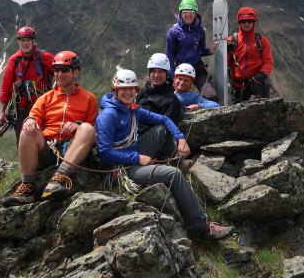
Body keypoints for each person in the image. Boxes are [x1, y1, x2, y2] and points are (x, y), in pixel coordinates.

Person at [96, 69, 235, 241]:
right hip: (123, 169)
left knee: (162, 130)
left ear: (136, 90)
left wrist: (180, 139)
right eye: (123, 89)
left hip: (134, 153)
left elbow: (164, 120)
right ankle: (204, 227)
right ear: (114, 90)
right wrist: (138, 159)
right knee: (173, 174)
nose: (128, 92)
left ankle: (178, 162)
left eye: (132, 88)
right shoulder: (108, 115)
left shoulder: (133, 110)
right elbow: (104, 152)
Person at [1, 51, 98, 206]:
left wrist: (78, 125)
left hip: (73, 149)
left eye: (64, 70)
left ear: (75, 72)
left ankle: (60, 177)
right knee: (27, 130)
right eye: (56, 70)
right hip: (50, 150)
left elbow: (92, 128)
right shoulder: (45, 98)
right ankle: (27, 187)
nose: (59, 74)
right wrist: (30, 120)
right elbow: (34, 116)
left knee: (86, 128)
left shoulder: (89, 99)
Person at [0, 26, 55, 142]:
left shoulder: (43, 57)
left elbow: (61, 70)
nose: (25, 43)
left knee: (44, 138)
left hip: (43, 107)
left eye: (28, 40)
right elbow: (6, 87)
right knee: (22, 139)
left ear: (34, 41)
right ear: (19, 42)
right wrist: (2, 112)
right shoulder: (14, 60)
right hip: (22, 108)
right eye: (22, 40)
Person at [166, 0, 219, 102]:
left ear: (195, 14)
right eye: (185, 12)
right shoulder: (173, 32)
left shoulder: (200, 31)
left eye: (191, 12)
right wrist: (171, 76)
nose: (188, 15)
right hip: (180, 70)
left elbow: (200, 49)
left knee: (211, 96)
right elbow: (170, 55)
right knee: (175, 100)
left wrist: (209, 51)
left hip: (198, 68)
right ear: (180, 14)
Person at [227, 7, 274, 103]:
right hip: (236, 86)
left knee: (265, 85)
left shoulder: (262, 40)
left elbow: (268, 62)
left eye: (249, 21)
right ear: (239, 23)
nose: (246, 24)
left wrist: (262, 73)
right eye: (243, 21)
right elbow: (225, 64)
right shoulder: (232, 40)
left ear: (254, 22)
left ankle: (264, 112)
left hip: (254, 82)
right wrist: (227, 51)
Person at [135, 53, 184, 125]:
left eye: (160, 71)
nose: (156, 75)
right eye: (154, 71)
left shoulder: (171, 100)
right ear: (149, 73)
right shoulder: (144, 91)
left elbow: (166, 127)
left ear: (166, 74)